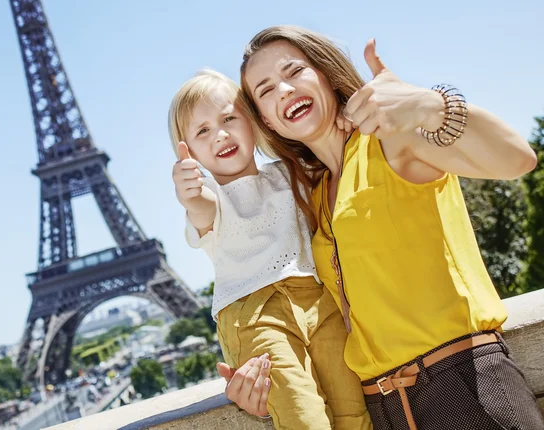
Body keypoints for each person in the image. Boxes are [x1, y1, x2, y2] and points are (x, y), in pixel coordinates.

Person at [219, 25, 543, 430]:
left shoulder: (390, 141)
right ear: (265, 120)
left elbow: (517, 158)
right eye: (265, 90)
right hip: (381, 408)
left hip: (464, 385)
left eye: (294, 71)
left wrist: (430, 105)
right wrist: (265, 386)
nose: (283, 89)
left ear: (326, 73)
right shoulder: (312, 199)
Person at [169, 69, 371, 429]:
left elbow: (333, 155)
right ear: (190, 153)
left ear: (254, 122)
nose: (220, 134)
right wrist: (190, 193)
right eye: (202, 131)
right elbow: (201, 211)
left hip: (317, 302)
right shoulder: (211, 199)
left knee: (354, 411)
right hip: (256, 315)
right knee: (304, 419)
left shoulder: (285, 173)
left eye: (229, 118)